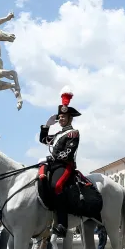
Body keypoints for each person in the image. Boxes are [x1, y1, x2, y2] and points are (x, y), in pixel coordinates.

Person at [40, 86, 81, 237]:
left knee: (57, 185)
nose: (61, 119)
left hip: (65, 165)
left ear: (70, 118)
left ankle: (62, 224)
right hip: (52, 164)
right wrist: (46, 126)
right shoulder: (58, 133)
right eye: (59, 117)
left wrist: (54, 157)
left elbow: (68, 153)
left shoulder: (73, 133)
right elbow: (43, 140)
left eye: (63, 117)